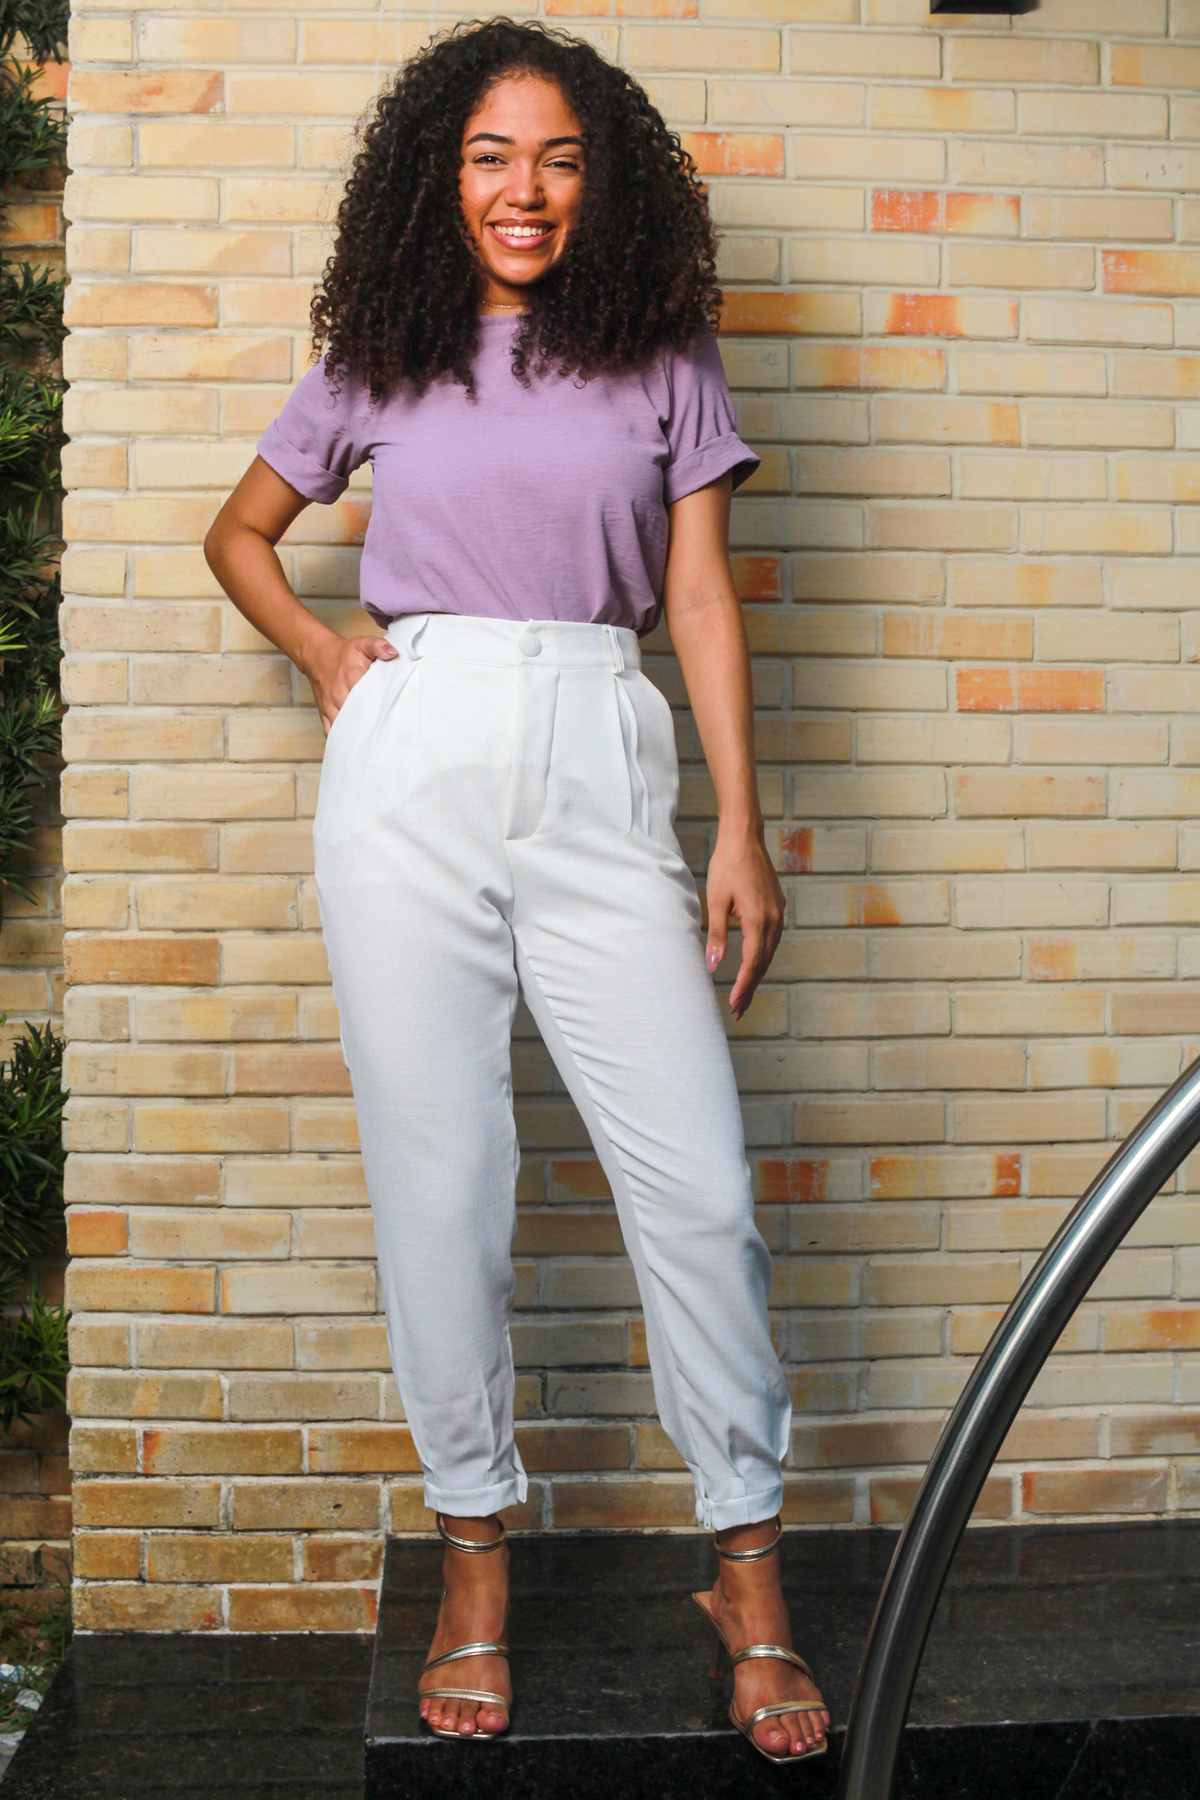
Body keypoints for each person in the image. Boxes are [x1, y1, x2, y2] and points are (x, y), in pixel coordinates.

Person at [204, 15, 829, 1767]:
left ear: (602, 180)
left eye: (559, 157)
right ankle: (473, 1552)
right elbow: (236, 534)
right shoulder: (381, 351)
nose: (525, 189)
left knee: (697, 1187)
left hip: (596, 744)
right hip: (410, 763)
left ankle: (748, 1570)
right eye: (491, 156)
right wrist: (330, 654)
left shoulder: (663, 353)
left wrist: (739, 826)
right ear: (441, 175)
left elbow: (696, 599)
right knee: (443, 1180)